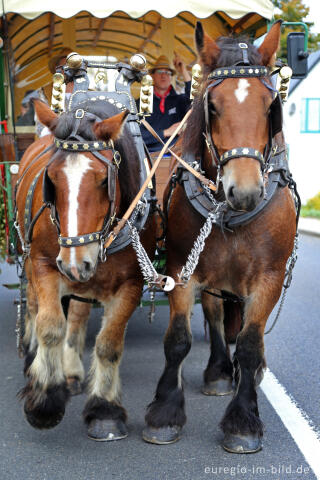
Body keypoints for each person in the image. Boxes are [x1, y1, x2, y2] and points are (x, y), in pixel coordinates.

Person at [138, 53, 191, 152]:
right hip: (149, 157)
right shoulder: (141, 103)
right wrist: (165, 132)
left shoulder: (180, 100)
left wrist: (183, 71)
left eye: (168, 72)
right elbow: (137, 137)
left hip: (176, 157)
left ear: (171, 77)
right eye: (159, 71)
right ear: (152, 76)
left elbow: (196, 102)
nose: (163, 75)